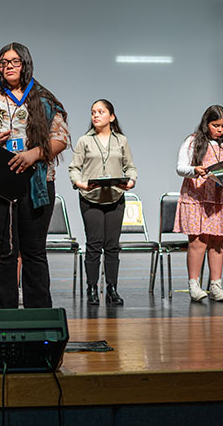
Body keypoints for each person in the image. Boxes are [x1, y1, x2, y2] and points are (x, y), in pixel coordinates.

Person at [0, 42, 69, 309]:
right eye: (3, 62)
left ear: (25, 64)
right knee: (4, 253)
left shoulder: (43, 98)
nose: (8, 66)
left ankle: (40, 316)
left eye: (14, 61)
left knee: (34, 253)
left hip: (36, 184)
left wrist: (35, 153)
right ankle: (4, 316)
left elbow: (61, 139)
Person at [69, 99, 137, 306]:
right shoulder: (84, 141)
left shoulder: (121, 141)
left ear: (111, 116)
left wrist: (131, 180)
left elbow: (130, 167)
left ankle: (112, 289)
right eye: (93, 112)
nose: (96, 115)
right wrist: (80, 184)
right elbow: (74, 168)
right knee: (94, 244)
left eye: (100, 112)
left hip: (115, 197)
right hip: (91, 198)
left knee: (112, 246)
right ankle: (91, 288)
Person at [174, 105, 223, 302]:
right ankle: (194, 285)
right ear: (207, 124)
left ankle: (216, 285)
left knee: (217, 241)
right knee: (198, 241)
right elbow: (180, 167)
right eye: (215, 125)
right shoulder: (193, 141)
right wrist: (195, 170)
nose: (219, 129)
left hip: (222, 197)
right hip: (198, 196)